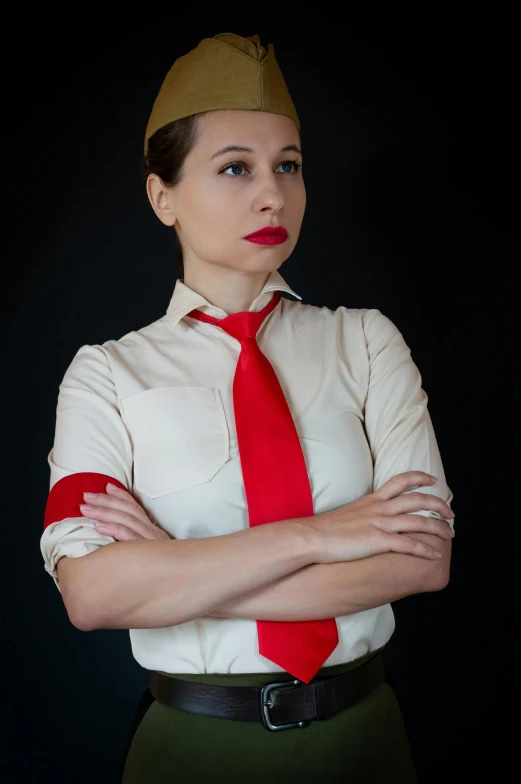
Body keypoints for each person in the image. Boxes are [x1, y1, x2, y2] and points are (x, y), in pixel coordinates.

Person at [40, 32, 455, 783]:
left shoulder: (363, 341)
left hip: (363, 745)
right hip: (193, 752)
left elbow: (421, 560)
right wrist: (325, 535)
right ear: (160, 196)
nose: (273, 194)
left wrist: (172, 567)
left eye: (287, 166)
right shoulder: (104, 376)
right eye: (235, 167)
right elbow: (94, 594)